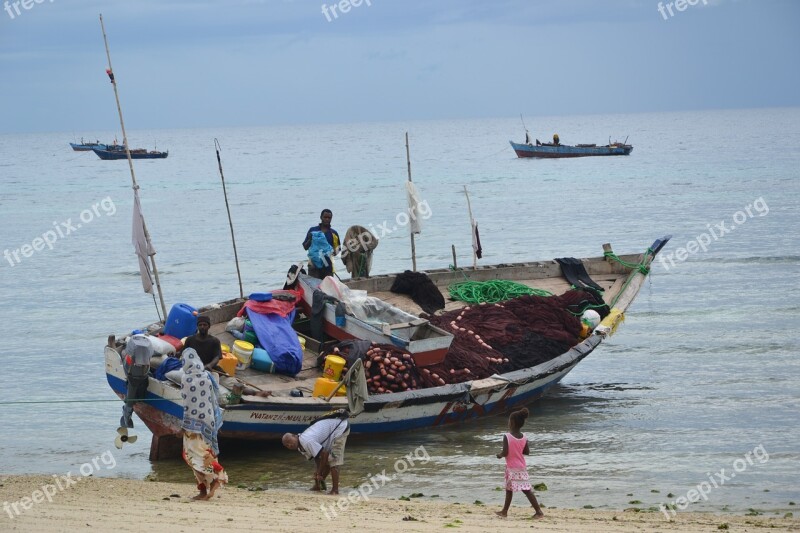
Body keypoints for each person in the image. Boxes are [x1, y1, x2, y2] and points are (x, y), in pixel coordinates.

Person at [181, 348, 228, 500]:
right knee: (205, 452)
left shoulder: (185, 378)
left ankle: (214, 478)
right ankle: (206, 486)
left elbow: (187, 404)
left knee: (192, 455)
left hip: (191, 425)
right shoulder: (207, 377)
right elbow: (215, 397)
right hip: (208, 422)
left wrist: (183, 425)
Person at [281, 414, 350, 495]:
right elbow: (317, 457)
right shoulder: (301, 447)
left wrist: (319, 472)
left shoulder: (306, 441)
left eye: (289, 441)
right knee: (322, 466)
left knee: (333, 461)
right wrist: (318, 473)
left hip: (339, 427)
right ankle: (318, 486)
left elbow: (324, 454)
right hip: (330, 432)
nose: (289, 445)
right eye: (286, 445)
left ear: (294, 436)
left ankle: (335, 490)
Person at [495, 408, 544, 519]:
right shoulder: (524, 437)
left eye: (509, 420)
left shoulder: (507, 436)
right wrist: (518, 448)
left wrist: (500, 455)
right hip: (521, 467)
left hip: (512, 468)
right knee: (513, 489)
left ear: (512, 422)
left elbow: (505, 452)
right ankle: (504, 511)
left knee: (524, 490)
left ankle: (539, 512)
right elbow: (527, 452)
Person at [120, 334, 154, 428]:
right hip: (138, 375)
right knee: (133, 390)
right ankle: (127, 413)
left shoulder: (130, 353)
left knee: (131, 392)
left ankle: (127, 413)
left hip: (134, 376)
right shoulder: (146, 352)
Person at [302, 209, 341, 279]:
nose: (327, 219)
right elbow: (305, 247)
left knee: (328, 288)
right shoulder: (312, 230)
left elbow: (338, 249)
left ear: (331, 219)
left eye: (329, 218)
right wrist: (310, 239)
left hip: (328, 265)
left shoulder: (334, 233)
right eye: (325, 217)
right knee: (314, 287)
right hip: (313, 265)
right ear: (321, 217)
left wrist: (331, 253)